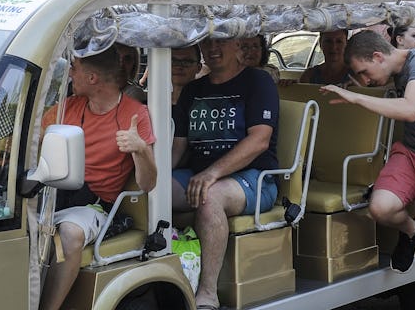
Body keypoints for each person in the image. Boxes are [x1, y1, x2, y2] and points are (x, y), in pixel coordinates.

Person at [319, 30, 415, 310]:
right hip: (413, 152)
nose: (365, 81)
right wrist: (350, 85)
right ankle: (413, 231)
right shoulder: (395, 69)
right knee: (381, 207)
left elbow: (410, 109)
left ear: (378, 56)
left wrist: (356, 98)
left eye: (364, 72)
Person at [40, 45, 157, 310]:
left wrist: (140, 149)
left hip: (95, 206)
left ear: (92, 78)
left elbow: (148, 184)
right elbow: (32, 139)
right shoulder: (69, 107)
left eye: (74, 69)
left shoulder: (135, 114)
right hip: (54, 198)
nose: (70, 74)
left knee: (69, 234)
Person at [172, 36, 279, 310]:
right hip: (200, 174)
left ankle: (207, 293)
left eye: (221, 42)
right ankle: (168, 277)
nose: (213, 49)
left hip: (256, 178)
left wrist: (211, 173)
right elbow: (179, 148)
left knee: (210, 197)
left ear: (238, 46)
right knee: (151, 191)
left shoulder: (257, 81)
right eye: (207, 43)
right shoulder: (193, 90)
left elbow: (259, 140)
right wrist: (153, 177)